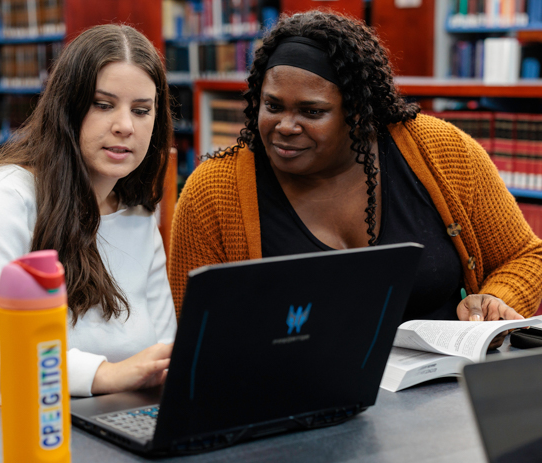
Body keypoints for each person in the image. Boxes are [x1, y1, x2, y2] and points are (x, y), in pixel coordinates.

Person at [168, 10, 542, 336]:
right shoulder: (215, 191)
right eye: (273, 105)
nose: (285, 125)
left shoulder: (441, 152)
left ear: (361, 114)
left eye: (312, 112)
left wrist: (494, 300)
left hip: (439, 390)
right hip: (292, 398)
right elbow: (196, 333)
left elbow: (526, 254)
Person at [0, 24, 176, 421]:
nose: (126, 125)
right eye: (103, 104)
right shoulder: (1, 197)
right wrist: (104, 374)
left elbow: (163, 344)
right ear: (67, 107)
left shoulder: (138, 212)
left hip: (100, 412)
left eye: (142, 110)